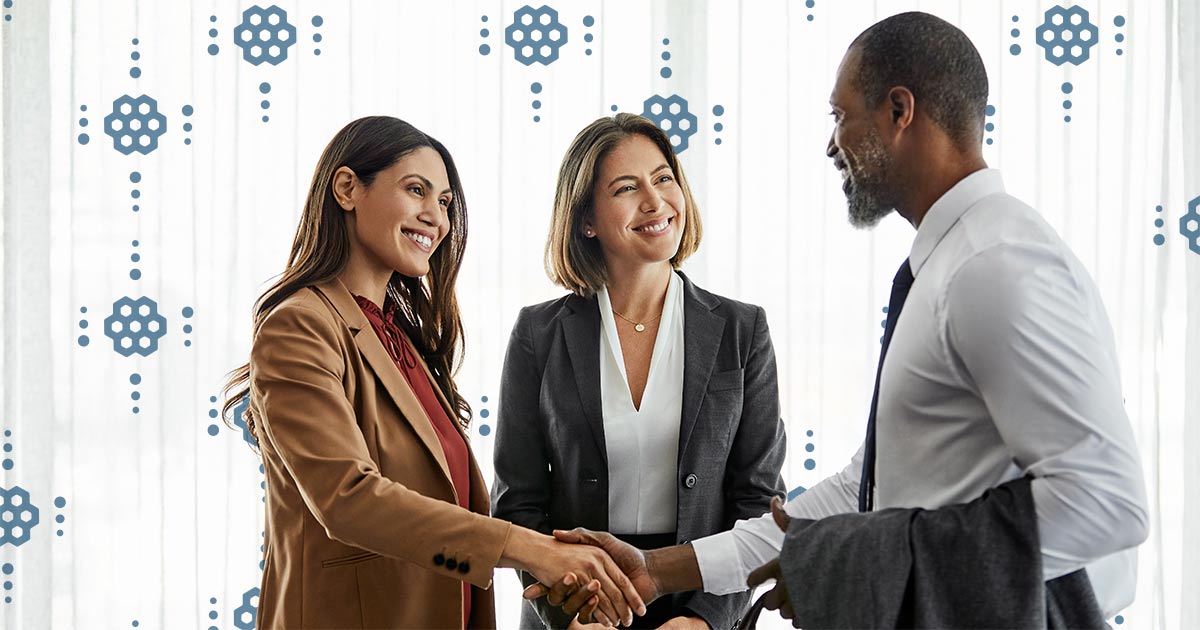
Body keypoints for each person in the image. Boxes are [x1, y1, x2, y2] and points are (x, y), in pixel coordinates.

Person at [526, 11, 1148, 624]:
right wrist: (659, 569)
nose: (831, 144)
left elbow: (1107, 504)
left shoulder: (994, 266)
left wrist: (861, 567)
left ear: (899, 112)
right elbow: (867, 488)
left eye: (840, 116)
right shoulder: (946, 266)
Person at [222, 116, 644, 630]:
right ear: (348, 188)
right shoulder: (299, 326)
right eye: (416, 190)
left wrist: (558, 569)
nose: (436, 218)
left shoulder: (401, 339)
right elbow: (347, 499)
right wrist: (531, 548)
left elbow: (444, 504)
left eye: (444, 202)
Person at [491, 113, 786, 630]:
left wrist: (705, 620)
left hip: (701, 597)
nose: (654, 202)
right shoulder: (538, 334)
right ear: (586, 220)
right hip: (576, 604)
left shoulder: (743, 330)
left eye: (664, 178)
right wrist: (567, 612)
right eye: (627, 188)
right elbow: (519, 502)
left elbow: (758, 500)